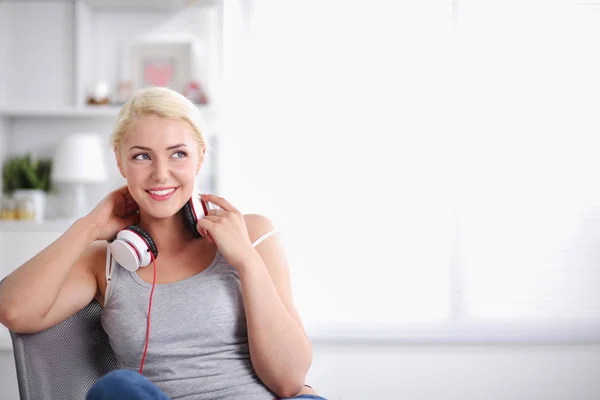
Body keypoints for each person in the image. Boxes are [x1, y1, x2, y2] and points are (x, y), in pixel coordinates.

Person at [0, 87, 326, 400]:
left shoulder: (251, 233)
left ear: (200, 158)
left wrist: (246, 261)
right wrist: (87, 228)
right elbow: (13, 310)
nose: (160, 173)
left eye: (178, 154)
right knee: (116, 387)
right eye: (142, 156)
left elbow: (289, 381)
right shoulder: (105, 261)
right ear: (120, 162)